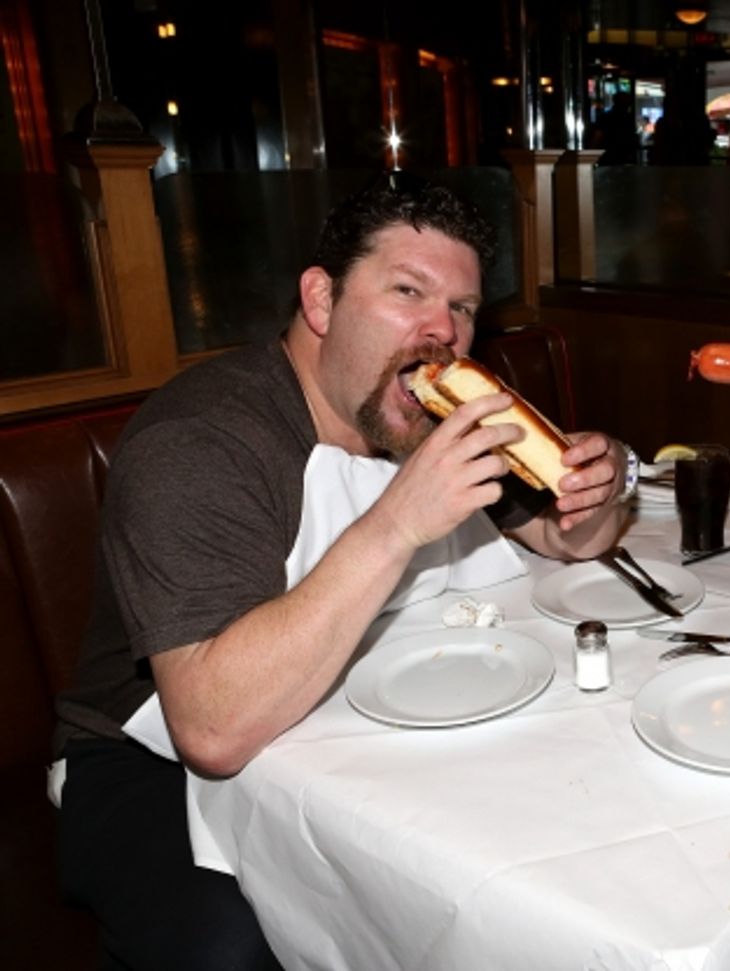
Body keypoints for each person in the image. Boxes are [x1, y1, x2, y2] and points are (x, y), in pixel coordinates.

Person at [51, 172, 635, 969]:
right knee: (225, 946)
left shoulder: (417, 419)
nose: (443, 333)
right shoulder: (200, 443)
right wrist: (397, 521)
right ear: (321, 301)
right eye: (408, 290)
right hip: (139, 757)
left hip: (347, 725)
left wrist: (593, 499)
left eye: (462, 309)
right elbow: (212, 730)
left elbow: (563, 540)